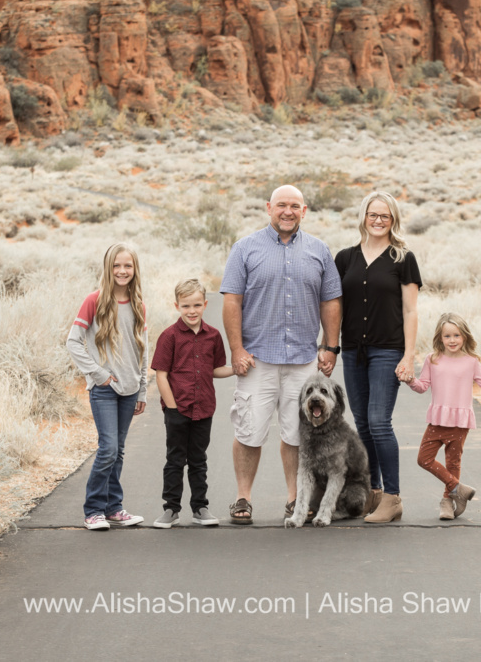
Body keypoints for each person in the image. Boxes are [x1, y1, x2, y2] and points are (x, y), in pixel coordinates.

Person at [220, 185, 342, 525]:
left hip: (303, 360)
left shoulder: (319, 250)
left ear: (304, 211)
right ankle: (243, 497)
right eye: (281, 206)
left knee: (298, 433)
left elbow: (330, 300)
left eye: (295, 206)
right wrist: (237, 349)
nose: (287, 212)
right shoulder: (245, 249)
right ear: (268, 208)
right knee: (249, 430)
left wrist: (330, 346)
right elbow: (232, 301)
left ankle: (295, 499)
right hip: (256, 359)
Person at [335, 191, 421, 523]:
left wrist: (409, 355)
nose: (379, 220)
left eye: (385, 216)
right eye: (373, 214)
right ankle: (373, 491)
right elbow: (335, 307)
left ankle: (393, 497)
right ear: (364, 216)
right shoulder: (345, 258)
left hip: (387, 350)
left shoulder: (403, 258)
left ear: (393, 220)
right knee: (362, 424)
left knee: (379, 422)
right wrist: (330, 346)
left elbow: (411, 310)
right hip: (354, 351)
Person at [403, 313, 481, 520]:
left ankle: (447, 501)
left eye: (456, 335)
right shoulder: (432, 360)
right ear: (440, 338)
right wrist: (410, 380)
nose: (452, 340)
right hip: (437, 420)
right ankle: (459, 488)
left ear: (464, 336)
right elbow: (422, 387)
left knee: (453, 463)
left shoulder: (471, 361)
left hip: (460, 423)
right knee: (424, 459)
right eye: (447, 336)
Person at [67, 243, 148, 530]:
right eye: (116, 266)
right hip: (104, 388)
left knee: (119, 450)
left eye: (127, 265)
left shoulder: (138, 305)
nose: (122, 271)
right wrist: (98, 373)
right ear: (108, 268)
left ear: (134, 269)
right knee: (108, 448)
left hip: (129, 388)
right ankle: (93, 511)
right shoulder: (95, 300)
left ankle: (114, 508)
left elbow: (143, 350)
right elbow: (73, 342)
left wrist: (142, 389)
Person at [151, 279, 234, 529]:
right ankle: (171, 509)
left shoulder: (213, 336)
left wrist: (237, 370)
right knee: (175, 459)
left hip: (204, 409)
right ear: (177, 305)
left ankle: (200, 508)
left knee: (198, 460)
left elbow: (215, 369)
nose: (192, 311)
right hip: (178, 410)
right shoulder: (169, 337)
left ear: (205, 304)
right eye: (186, 305)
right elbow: (161, 375)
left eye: (197, 305)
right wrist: (172, 408)